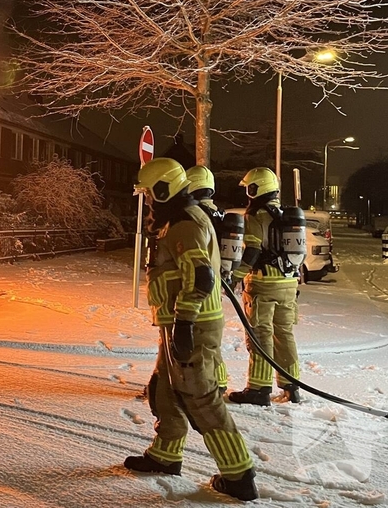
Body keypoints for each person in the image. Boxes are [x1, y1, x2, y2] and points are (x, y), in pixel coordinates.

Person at [125, 158, 258, 501]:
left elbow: (199, 277)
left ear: (164, 189)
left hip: (192, 325)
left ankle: (239, 475)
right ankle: (166, 456)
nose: (149, 201)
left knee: (201, 398)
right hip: (179, 323)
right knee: (166, 391)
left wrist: (184, 322)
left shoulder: (185, 223)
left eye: (150, 194)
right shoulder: (182, 217)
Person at [227, 167, 302, 406]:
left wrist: (235, 276)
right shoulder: (283, 215)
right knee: (285, 334)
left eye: (249, 189)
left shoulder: (257, 215)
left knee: (260, 336)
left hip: (263, 284)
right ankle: (292, 386)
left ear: (255, 189)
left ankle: (258, 390)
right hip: (289, 284)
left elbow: (253, 250)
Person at [186, 165, 231, 395]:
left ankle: (207, 388)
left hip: (200, 286)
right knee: (213, 341)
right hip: (218, 288)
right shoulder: (221, 215)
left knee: (200, 341)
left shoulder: (194, 217)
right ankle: (220, 383)